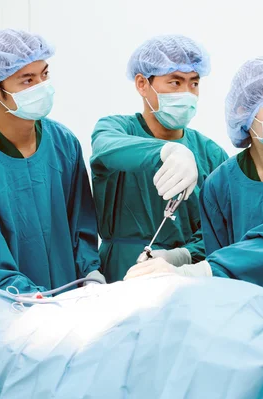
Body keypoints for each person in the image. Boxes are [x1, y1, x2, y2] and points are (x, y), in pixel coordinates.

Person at [125, 57, 263, 317]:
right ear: (247, 112)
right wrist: (181, 258)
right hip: (244, 321)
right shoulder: (220, 183)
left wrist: (193, 272)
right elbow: (220, 255)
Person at [0, 29, 105, 294]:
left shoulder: (63, 143)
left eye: (44, 74)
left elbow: (80, 223)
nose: (42, 86)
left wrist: (90, 272)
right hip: (6, 314)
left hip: (70, 304)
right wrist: (35, 301)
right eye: (27, 80)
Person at [90, 34, 228, 283]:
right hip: (120, 271)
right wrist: (166, 151)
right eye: (175, 83)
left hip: (183, 275)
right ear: (142, 84)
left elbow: (221, 230)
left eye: (194, 84)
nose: (187, 93)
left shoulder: (211, 154)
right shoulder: (117, 129)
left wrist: (181, 256)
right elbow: (106, 147)